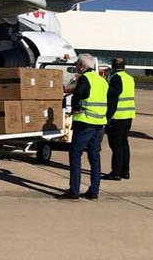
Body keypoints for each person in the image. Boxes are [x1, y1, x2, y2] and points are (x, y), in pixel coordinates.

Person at [57, 53, 108, 200]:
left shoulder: (84, 79)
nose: (75, 67)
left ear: (83, 66)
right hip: (99, 123)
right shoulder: (101, 80)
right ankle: (94, 190)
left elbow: (79, 93)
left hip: (85, 122)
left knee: (75, 154)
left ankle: (74, 190)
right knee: (94, 157)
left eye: (77, 64)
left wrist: (75, 107)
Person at [104, 57, 135, 181]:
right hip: (128, 115)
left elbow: (113, 98)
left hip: (117, 116)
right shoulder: (129, 78)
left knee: (116, 145)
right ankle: (125, 171)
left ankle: (116, 172)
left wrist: (108, 116)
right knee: (124, 144)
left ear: (112, 66)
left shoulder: (116, 78)